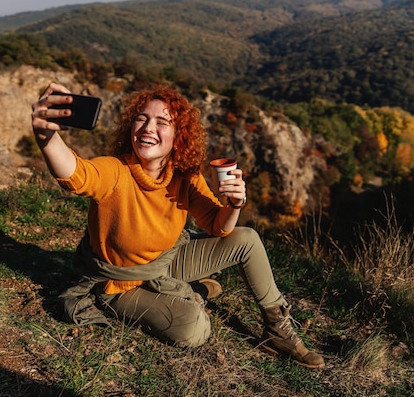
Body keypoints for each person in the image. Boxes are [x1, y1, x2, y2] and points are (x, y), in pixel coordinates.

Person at [30, 82, 325, 369]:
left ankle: (278, 331)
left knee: (246, 238)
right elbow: (76, 173)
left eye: (162, 123)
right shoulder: (115, 171)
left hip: (164, 262)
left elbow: (217, 226)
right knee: (194, 328)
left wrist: (234, 205)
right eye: (141, 119)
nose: (148, 129)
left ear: (178, 136)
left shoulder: (184, 175)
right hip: (121, 284)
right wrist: (46, 136)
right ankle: (196, 293)